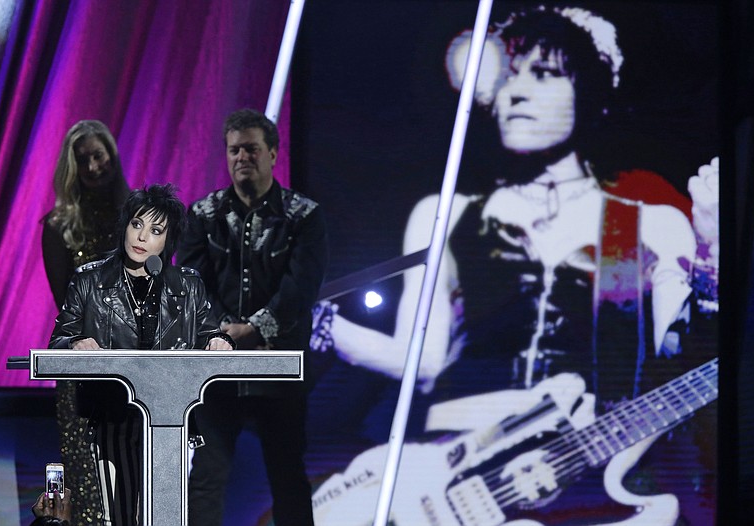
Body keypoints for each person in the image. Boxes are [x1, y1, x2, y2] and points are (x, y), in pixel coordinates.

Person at [310, 5, 717, 525]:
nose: (515, 93)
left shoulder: (651, 226)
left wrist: (710, 259)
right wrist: (320, 323)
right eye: (505, 77)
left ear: (589, 94)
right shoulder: (443, 215)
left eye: (544, 75)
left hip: (584, 483)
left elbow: (675, 361)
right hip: (445, 474)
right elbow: (425, 360)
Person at [49, 184, 233, 526]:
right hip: (112, 417)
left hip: (170, 419)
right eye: (137, 224)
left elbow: (210, 334)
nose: (142, 236)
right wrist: (76, 344)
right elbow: (58, 342)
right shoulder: (89, 280)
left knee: (164, 517)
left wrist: (220, 342)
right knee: (118, 518)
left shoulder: (187, 285)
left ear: (168, 240)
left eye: (156, 230)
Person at [178, 108, 328, 526]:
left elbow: (302, 287)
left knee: (287, 475)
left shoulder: (303, 216)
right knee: (207, 475)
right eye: (234, 150)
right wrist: (225, 329)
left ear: (273, 154)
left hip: (279, 367)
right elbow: (191, 284)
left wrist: (255, 327)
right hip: (216, 367)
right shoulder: (202, 214)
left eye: (252, 149)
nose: (242, 157)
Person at [41, 120, 131, 526]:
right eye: (83, 160)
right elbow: (66, 303)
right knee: (89, 482)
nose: (94, 166)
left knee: (132, 477)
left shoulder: (138, 217)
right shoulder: (59, 225)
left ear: (111, 155)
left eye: (99, 155)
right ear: (71, 169)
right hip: (83, 361)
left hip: (136, 362)